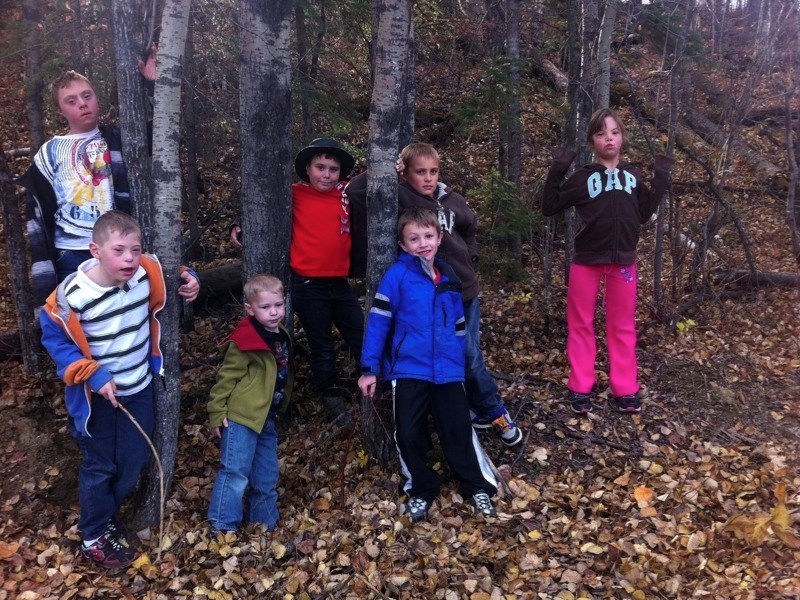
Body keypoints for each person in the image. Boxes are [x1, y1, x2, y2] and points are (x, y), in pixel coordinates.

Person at [39, 211, 200, 569]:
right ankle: (94, 533)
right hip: (96, 400)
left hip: (139, 388)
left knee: (133, 461)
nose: (129, 258)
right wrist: (92, 373)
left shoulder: (144, 271)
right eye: (119, 250)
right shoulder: (72, 295)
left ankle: (106, 515)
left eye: (135, 249)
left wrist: (190, 277)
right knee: (101, 466)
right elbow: (55, 339)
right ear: (95, 250)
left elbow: (169, 267)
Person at [346, 143, 523, 446]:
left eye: (433, 171)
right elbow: (356, 192)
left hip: (464, 291)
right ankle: (480, 409)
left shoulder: (452, 199)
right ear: (408, 173)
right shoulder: (403, 195)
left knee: (469, 355)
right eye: (420, 172)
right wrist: (389, 169)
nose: (427, 178)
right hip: (432, 297)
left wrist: (471, 257)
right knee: (456, 355)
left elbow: (470, 228)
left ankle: (492, 411)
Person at [358, 206, 498, 522]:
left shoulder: (449, 276)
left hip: (448, 372)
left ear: (439, 237)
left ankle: (475, 486)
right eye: (414, 238)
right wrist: (370, 369)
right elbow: (379, 321)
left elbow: (460, 326)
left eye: (428, 236)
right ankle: (421, 488)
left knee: (458, 430)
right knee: (407, 432)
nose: (422, 243)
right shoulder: (397, 276)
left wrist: (460, 364)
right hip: (409, 368)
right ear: (403, 244)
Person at [540, 107, 672, 415]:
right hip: (586, 262)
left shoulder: (632, 176)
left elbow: (642, 214)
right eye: (601, 134)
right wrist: (558, 168)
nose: (608, 139)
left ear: (622, 138)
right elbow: (549, 207)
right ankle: (580, 385)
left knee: (622, 325)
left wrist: (661, 179)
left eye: (614, 132)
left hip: (623, 262)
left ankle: (626, 387)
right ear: (592, 141)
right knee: (581, 323)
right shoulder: (583, 178)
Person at [230, 138, 364, 424]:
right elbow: (262, 204)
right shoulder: (295, 193)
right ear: (307, 168)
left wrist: (397, 166)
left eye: (333, 169)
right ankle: (330, 395)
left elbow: (371, 183)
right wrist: (239, 223)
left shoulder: (345, 192)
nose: (326, 174)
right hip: (307, 284)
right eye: (320, 167)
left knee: (361, 333)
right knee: (322, 343)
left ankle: (372, 385)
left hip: (340, 283)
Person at [17, 46, 157, 305]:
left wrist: (152, 84)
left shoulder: (116, 138)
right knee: (78, 321)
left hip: (116, 248)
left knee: (119, 315)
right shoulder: (49, 153)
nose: (82, 103)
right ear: (61, 110)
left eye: (87, 96)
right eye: (71, 101)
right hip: (71, 253)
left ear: (96, 99)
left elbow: (157, 132)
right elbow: (39, 210)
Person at [206, 273, 293, 534]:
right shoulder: (245, 340)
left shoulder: (282, 335)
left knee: (266, 475)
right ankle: (222, 525)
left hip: (267, 417)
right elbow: (226, 378)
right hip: (242, 418)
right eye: (265, 308)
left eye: (278, 305)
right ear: (250, 309)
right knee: (235, 472)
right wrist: (216, 411)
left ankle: (264, 521)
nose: (274, 312)